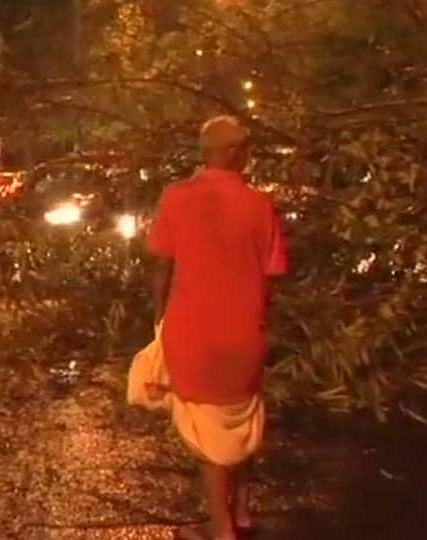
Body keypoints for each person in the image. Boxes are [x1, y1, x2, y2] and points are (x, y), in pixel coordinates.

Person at [146, 115, 288, 540]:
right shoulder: (259, 204)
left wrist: (158, 319)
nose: (248, 155)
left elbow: (161, 266)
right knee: (241, 422)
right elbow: (271, 275)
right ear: (230, 152)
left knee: (208, 435)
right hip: (245, 334)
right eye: (244, 147)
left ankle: (220, 529)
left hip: (193, 334)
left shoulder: (176, 198)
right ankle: (242, 511)